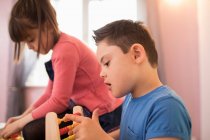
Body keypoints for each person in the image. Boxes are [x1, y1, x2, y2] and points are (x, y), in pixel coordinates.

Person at [0, 0, 123, 139]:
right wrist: (22, 116)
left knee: (30, 130)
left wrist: (19, 124)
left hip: (103, 114)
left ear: (47, 26)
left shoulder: (65, 50)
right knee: (31, 127)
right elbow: (49, 94)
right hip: (85, 108)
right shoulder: (61, 47)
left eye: (31, 39)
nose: (29, 47)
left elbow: (59, 101)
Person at [63, 19, 192, 140]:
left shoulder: (167, 107)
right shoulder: (130, 98)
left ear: (136, 54)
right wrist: (97, 133)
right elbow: (130, 133)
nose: (101, 74)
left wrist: (101, 138)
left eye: (107, 63)